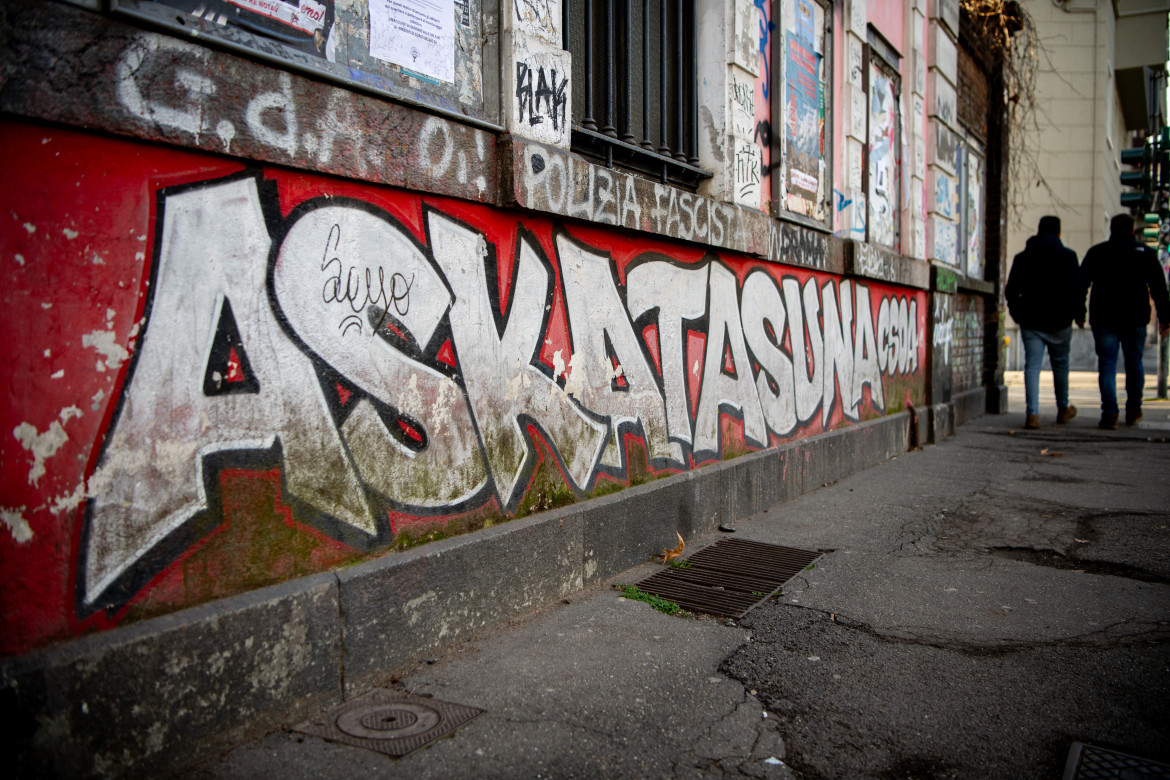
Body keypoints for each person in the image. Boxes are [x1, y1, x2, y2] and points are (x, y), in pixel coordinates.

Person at [1080, 213, 1170, 429]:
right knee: (1134, 363)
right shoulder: (1144, 253)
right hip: (1135, 318)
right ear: (1132, 230)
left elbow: (1081, 284)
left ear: (1111, 230)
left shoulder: (1098, 252)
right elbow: (1159, 287)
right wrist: (1165, 318)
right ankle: (1133, 409)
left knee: (1107, 364)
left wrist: (1079, 313)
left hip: (1104, 317)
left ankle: (1110, 412)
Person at [1005, 215, 1085, 429]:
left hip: (1031, 321)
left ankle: (1032, 414)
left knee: (1032, 366)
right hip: (1061, 321)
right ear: (1059, 233)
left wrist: (1018, 315)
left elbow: (1011, 291)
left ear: (1038, 231)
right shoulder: (1068, 257)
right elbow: (1077, 290)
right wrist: (1079, 314)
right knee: (1061, 364)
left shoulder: (1023, 257)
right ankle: (1063, 408)